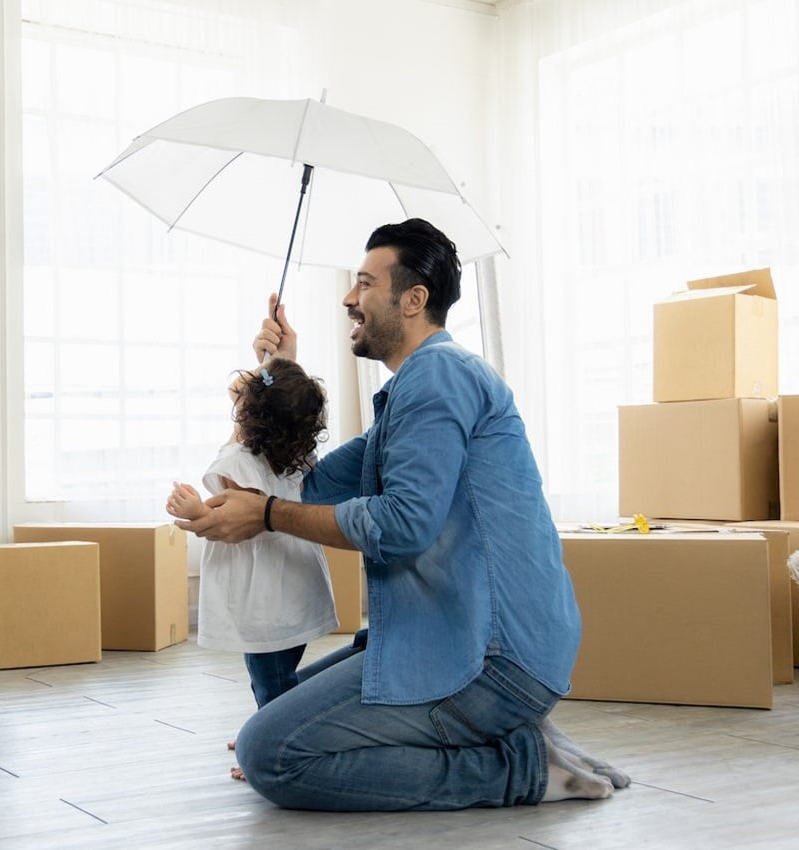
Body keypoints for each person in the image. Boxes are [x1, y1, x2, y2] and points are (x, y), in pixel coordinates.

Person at [173, 218, 629, 811]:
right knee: (282, 704)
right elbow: (310, 485)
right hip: (458, 640)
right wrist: (279, 372)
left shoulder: (438, 378)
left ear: (413, 300)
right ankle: (512, 731)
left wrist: (266, 515)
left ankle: (521, 769)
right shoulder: (410, 398)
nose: (347, 298)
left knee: (271, 754)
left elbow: (399, 525)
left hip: (489, 659)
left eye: (364, 284)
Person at [166, 359, 337, 713]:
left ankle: (273, 742)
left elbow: (236, 522)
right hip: (297, 587)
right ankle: (269, 729)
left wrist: (196, 511)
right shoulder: (296, 453)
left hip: (265, 599)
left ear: (248, 416)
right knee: (281, 674)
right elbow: (256, 397)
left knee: (270, 682)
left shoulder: (238, 462)